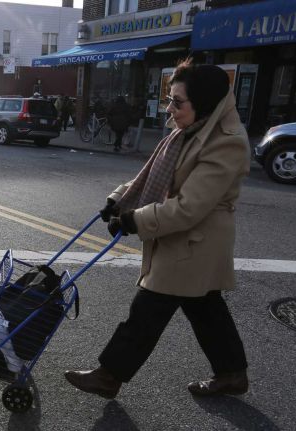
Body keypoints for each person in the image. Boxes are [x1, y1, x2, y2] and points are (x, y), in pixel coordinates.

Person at [64, 59, 250, 399]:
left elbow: (188, 207)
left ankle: (109, 376)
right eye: (169, 99)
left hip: (194, 242)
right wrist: (118, 200)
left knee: (147, 311)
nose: (170, 109)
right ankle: (232, 374)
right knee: (206, 309)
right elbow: (151, 177)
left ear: (204, 104)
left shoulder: (227, 142)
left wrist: (135, 219)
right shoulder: (190, 130)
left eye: (178, 102)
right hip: (187, 240)